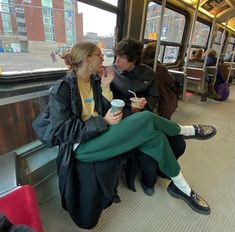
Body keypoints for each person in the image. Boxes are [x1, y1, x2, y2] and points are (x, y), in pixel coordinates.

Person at [50, 41, 217, 228]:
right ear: (87, 59)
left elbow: (103, 110)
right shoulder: (62, 89)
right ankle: (185, 130)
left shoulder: (95, 81)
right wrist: (103, 121)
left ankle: (181, 187)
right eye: (99, 54)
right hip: (81, 147)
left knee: (156, 137)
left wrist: (106, 88)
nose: (104, 57)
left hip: (101, 135)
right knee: (146, 118)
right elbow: (64, 132)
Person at [111, 39, 186, 196]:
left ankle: (163, 170)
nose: (116, 60)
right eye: (116, 56)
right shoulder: (112, 73)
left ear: (133, 59)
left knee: (178, 143)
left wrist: (147, 103)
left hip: (148, 115)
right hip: (126, 119)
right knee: (149, 154)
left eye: (121, 57)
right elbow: (107, 101)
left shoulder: (148, 73)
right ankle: (148, 180)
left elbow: (154, 97)